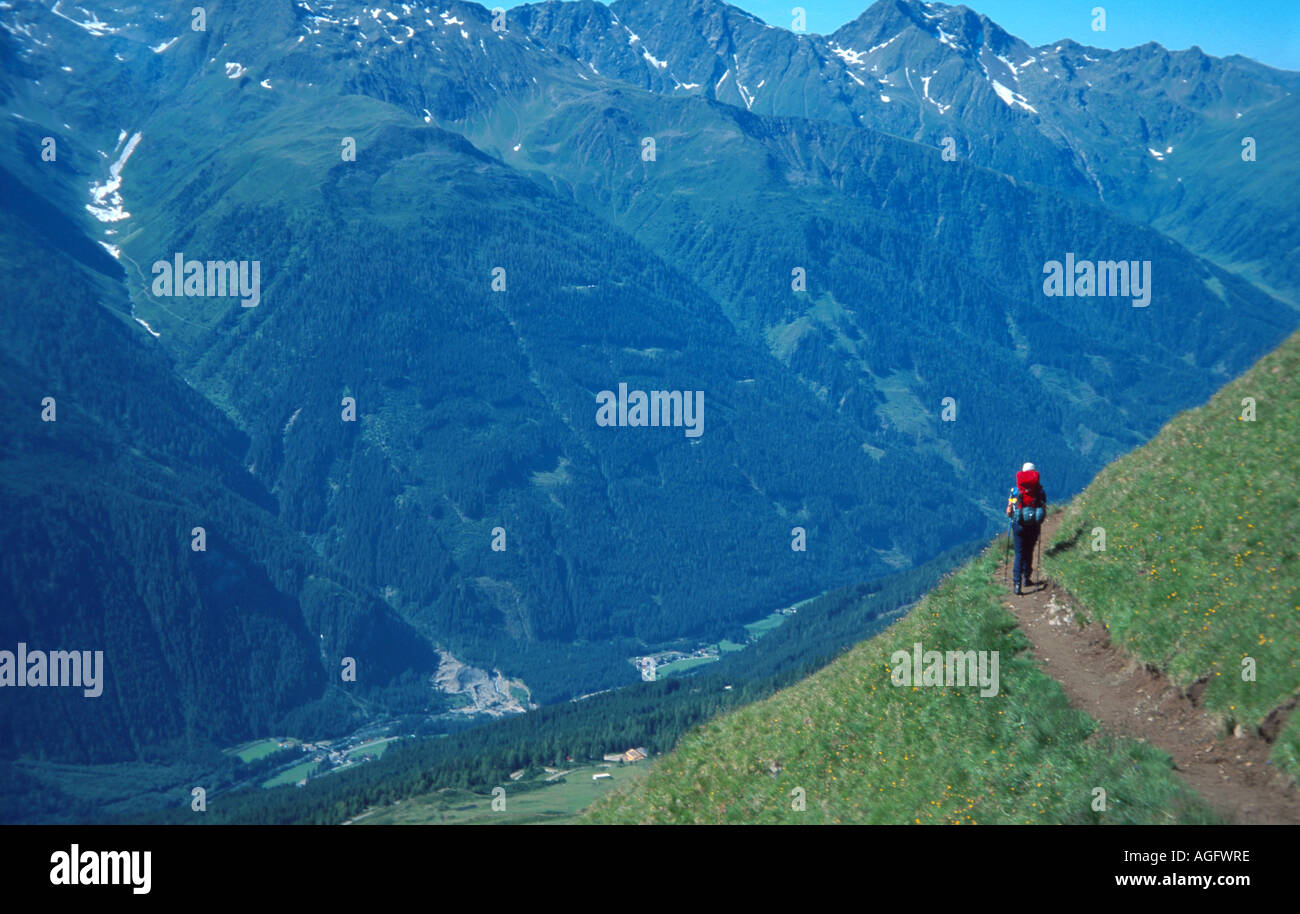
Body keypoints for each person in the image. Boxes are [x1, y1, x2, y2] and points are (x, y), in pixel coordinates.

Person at [1006, 462, 1047, 595]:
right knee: (1029, 551)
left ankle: (1017, 584)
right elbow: (1043, 507)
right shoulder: (1040, 491)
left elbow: (1008, 511)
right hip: (1034, 525)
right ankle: (1026, 578)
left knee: (1019, 553)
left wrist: (1012, 513)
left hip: (1019, 526)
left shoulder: (1015, 491)